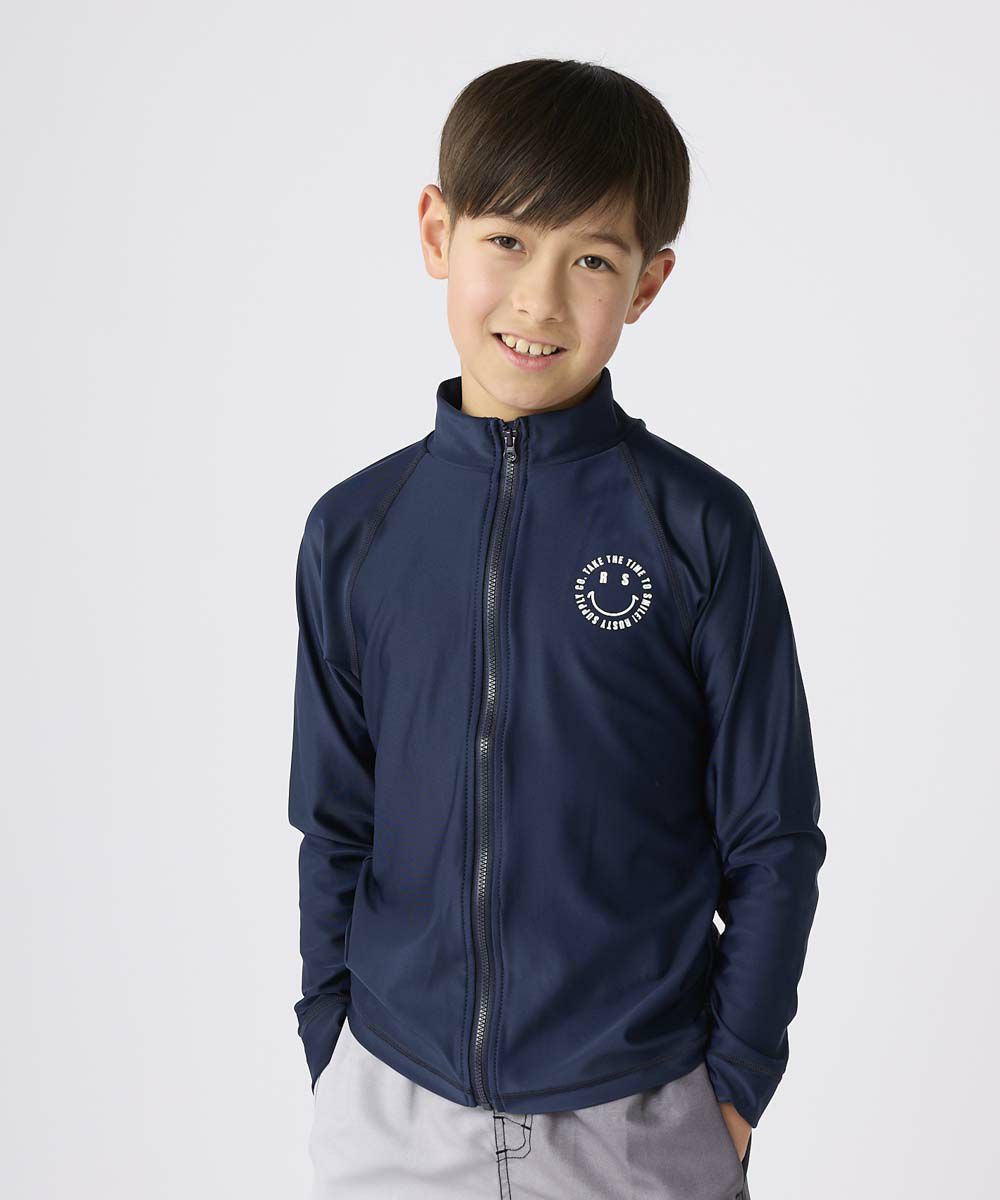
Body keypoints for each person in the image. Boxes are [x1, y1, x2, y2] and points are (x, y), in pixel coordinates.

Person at [288, 57, 827, 1200]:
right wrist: (331, 1043)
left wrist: (733, 1086)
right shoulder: (355, 532)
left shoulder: (696, 528)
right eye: (506, 241)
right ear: (436, 232)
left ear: (646, 284)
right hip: (392, 1107)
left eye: (590, 260)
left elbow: (773, 835)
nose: (538, 300)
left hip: (635, 1122)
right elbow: (333, 820)